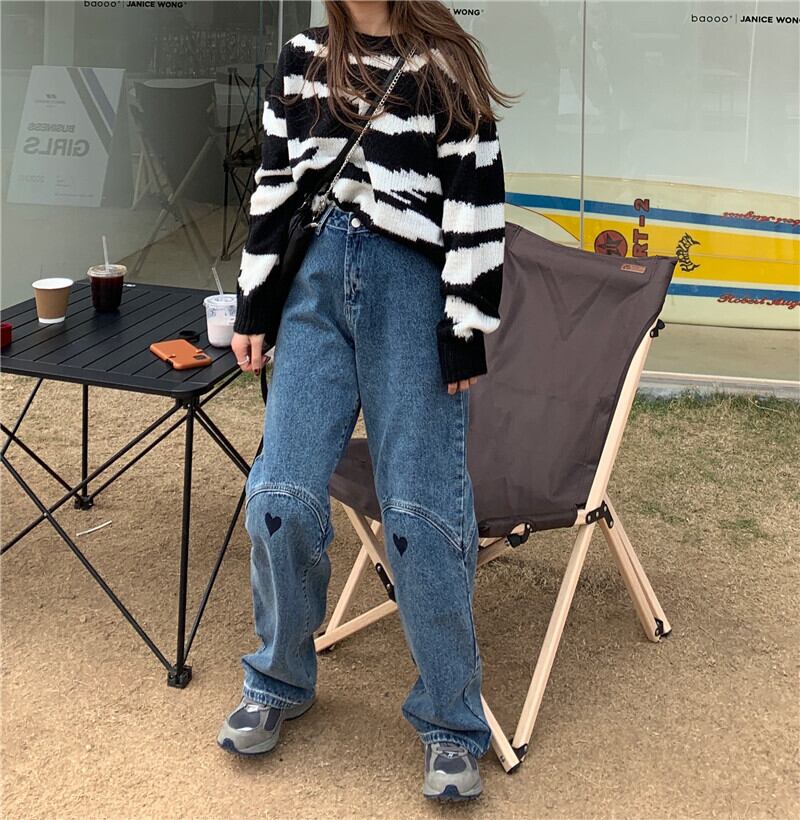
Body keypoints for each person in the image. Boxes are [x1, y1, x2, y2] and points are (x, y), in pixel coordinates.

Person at [218, 0, 515, 802]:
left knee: (420, 512)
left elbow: (477, 196)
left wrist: (465, 322)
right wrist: (254, 303)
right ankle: (278, 678)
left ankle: (451, 722)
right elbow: (276, 185)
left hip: (411, 291)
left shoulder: (444, 61)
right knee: (277, 497)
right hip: (315, 291)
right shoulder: (304, 56)